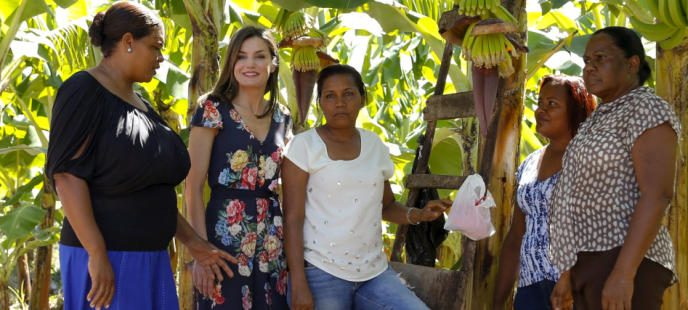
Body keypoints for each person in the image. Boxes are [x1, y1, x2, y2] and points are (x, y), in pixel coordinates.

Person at [45, 3, 237, 310]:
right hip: (108, 255)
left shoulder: (142, 103)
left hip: (151, 257)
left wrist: (195, 244)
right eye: (156, 47)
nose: (161, 59)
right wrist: (96, 252)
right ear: (128, 42)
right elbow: (67, 176)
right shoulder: (83, 90)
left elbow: (150, 191)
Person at [281, 64, 451, 310]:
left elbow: (387, 205)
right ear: (320, 103)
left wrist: (420, 215)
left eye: (348, 94)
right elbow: (292, 219)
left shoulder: (373, 144)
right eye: (330, 96)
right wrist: (298, 282)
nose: (339, 102)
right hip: (321, 273)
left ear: (363, 99)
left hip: (374, 274)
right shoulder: (303, 147)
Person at [548, 26, 680, 310]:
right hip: (589, 262)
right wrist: (568, 273)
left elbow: (657, 194)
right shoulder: (598, 119)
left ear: (632, 64)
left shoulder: (645, 108)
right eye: (586, 61)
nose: (590, 68)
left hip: (623, 259)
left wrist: (623, 273)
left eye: (601, 58)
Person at [186, 26, 293, 309]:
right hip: (223, 239)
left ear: (272, 63)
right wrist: (200, 253)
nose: (250, 64)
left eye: (259, 56)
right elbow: (193, 186)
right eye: (241, 57)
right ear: (232, 63)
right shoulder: (212, 109)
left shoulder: (283, 116)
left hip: (273, 238)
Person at [492, 75, 596, 310]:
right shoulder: (529, 164)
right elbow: (516, 236)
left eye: (552, 104)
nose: (541, 110)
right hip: (530, 288)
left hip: (575, 291)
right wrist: (498, 303)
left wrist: (568, 278)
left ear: (576, 111)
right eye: (540, 103)